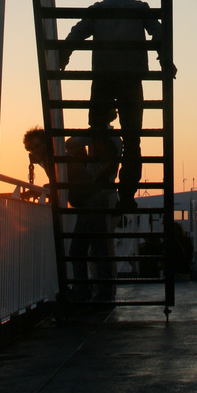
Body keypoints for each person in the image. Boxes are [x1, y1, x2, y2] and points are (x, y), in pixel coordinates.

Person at [58, 0, 176, 213]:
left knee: (97, 128)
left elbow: (76, 33)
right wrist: (164, 61)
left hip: (103, 76)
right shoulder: (141, 8)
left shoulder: (98, 10)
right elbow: (159, 33)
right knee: (133, 141)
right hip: (132, 77)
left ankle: (106, 169)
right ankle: (127, 195)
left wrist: (63, 55)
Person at [65, 115, 122, 303]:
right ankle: (105, 292)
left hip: (98, 196)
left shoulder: (96, 135)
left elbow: (70, 142)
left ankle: (101, 293)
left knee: (96, 249)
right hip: (105, 195)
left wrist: (79, 146)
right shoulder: (116, 138)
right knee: (101, 248)